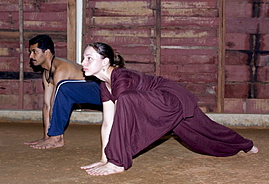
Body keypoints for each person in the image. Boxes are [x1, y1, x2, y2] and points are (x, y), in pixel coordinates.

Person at [80, 42, 258, 176]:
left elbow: (122, 120)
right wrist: (104, 158)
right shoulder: (105, 86)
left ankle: (118, 163)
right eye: (83, 58)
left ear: (105, 61)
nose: (83, 62)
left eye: (89, 58)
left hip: (170, 97)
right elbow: (108, 123)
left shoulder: (121, 76)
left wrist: (114, 160)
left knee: (126, 100)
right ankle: (246, 145)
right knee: (203, 132)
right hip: (160, 105)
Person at [24, 35, 101, 149]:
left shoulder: (61, 69)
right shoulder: (47, 72)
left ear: (47, 52)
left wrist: (54, 137)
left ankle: (57, 138)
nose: (31, 56)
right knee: (51, 101)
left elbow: (56, 104)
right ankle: (52, 136)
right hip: (87, 93)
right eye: (30, 52)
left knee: (60, 93)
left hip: (101, 91)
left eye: (35, 52)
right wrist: (47, 136)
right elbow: (47, 105)